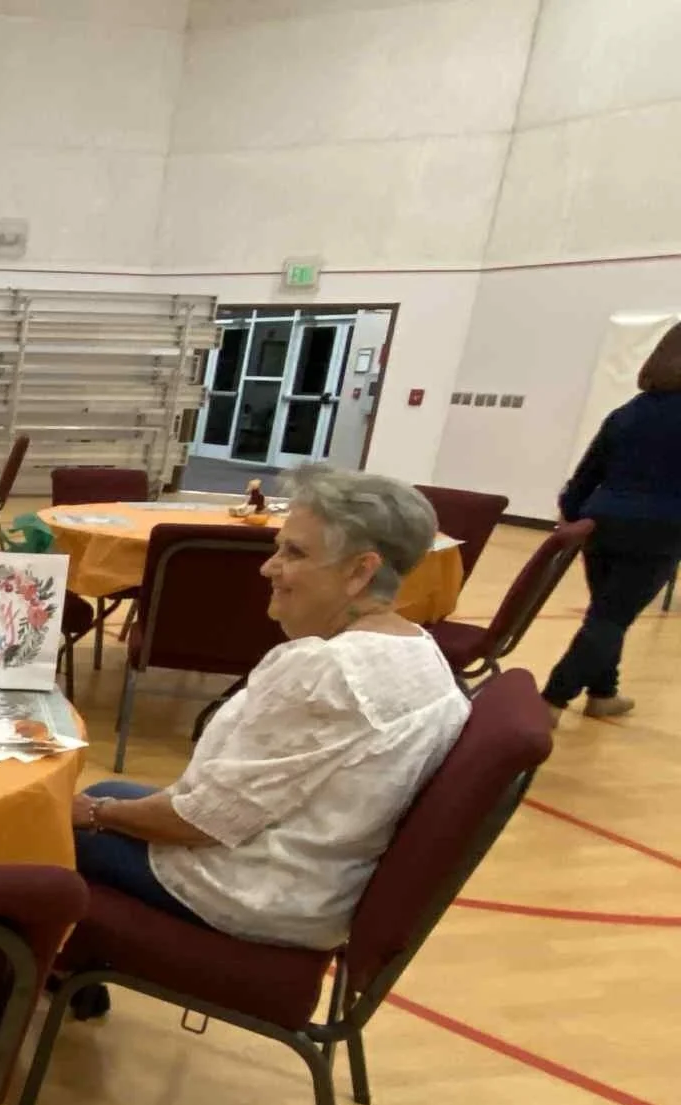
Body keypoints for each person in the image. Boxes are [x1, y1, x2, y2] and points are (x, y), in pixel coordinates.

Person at [64, 466, 470, 1019]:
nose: (268, 567)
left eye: (294, 554)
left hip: (258, 894)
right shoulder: (422, 653)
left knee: (36, 832)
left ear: (361, 571)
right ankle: (72, 972)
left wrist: (89, 812)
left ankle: (21, 983)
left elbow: (198, 822)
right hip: (320, 885)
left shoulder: (324, 671)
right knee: (108, 797)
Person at [541, 322, 681, 724]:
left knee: (605, 611)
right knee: (611, 617)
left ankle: (604, 692)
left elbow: (587, 475)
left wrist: (572, 513)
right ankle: (552, 698)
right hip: (659, 531)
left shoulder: (627, 413)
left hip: (601, 525)